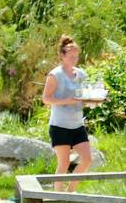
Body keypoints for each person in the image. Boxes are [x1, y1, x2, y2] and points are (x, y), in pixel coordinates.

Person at [40, 35, 104, 192]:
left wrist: (95, 100)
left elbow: (82, 97)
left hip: (77, 125)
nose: (74, 59)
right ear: (62, 56)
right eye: (71, 56)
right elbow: (46, 99)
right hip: (59, 125)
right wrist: (67, 100)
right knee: (64, 163)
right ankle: (57, 196)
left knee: (87, 160)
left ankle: (71, 192)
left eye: (76, 56)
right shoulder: (55, 75)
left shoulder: (81, 74)